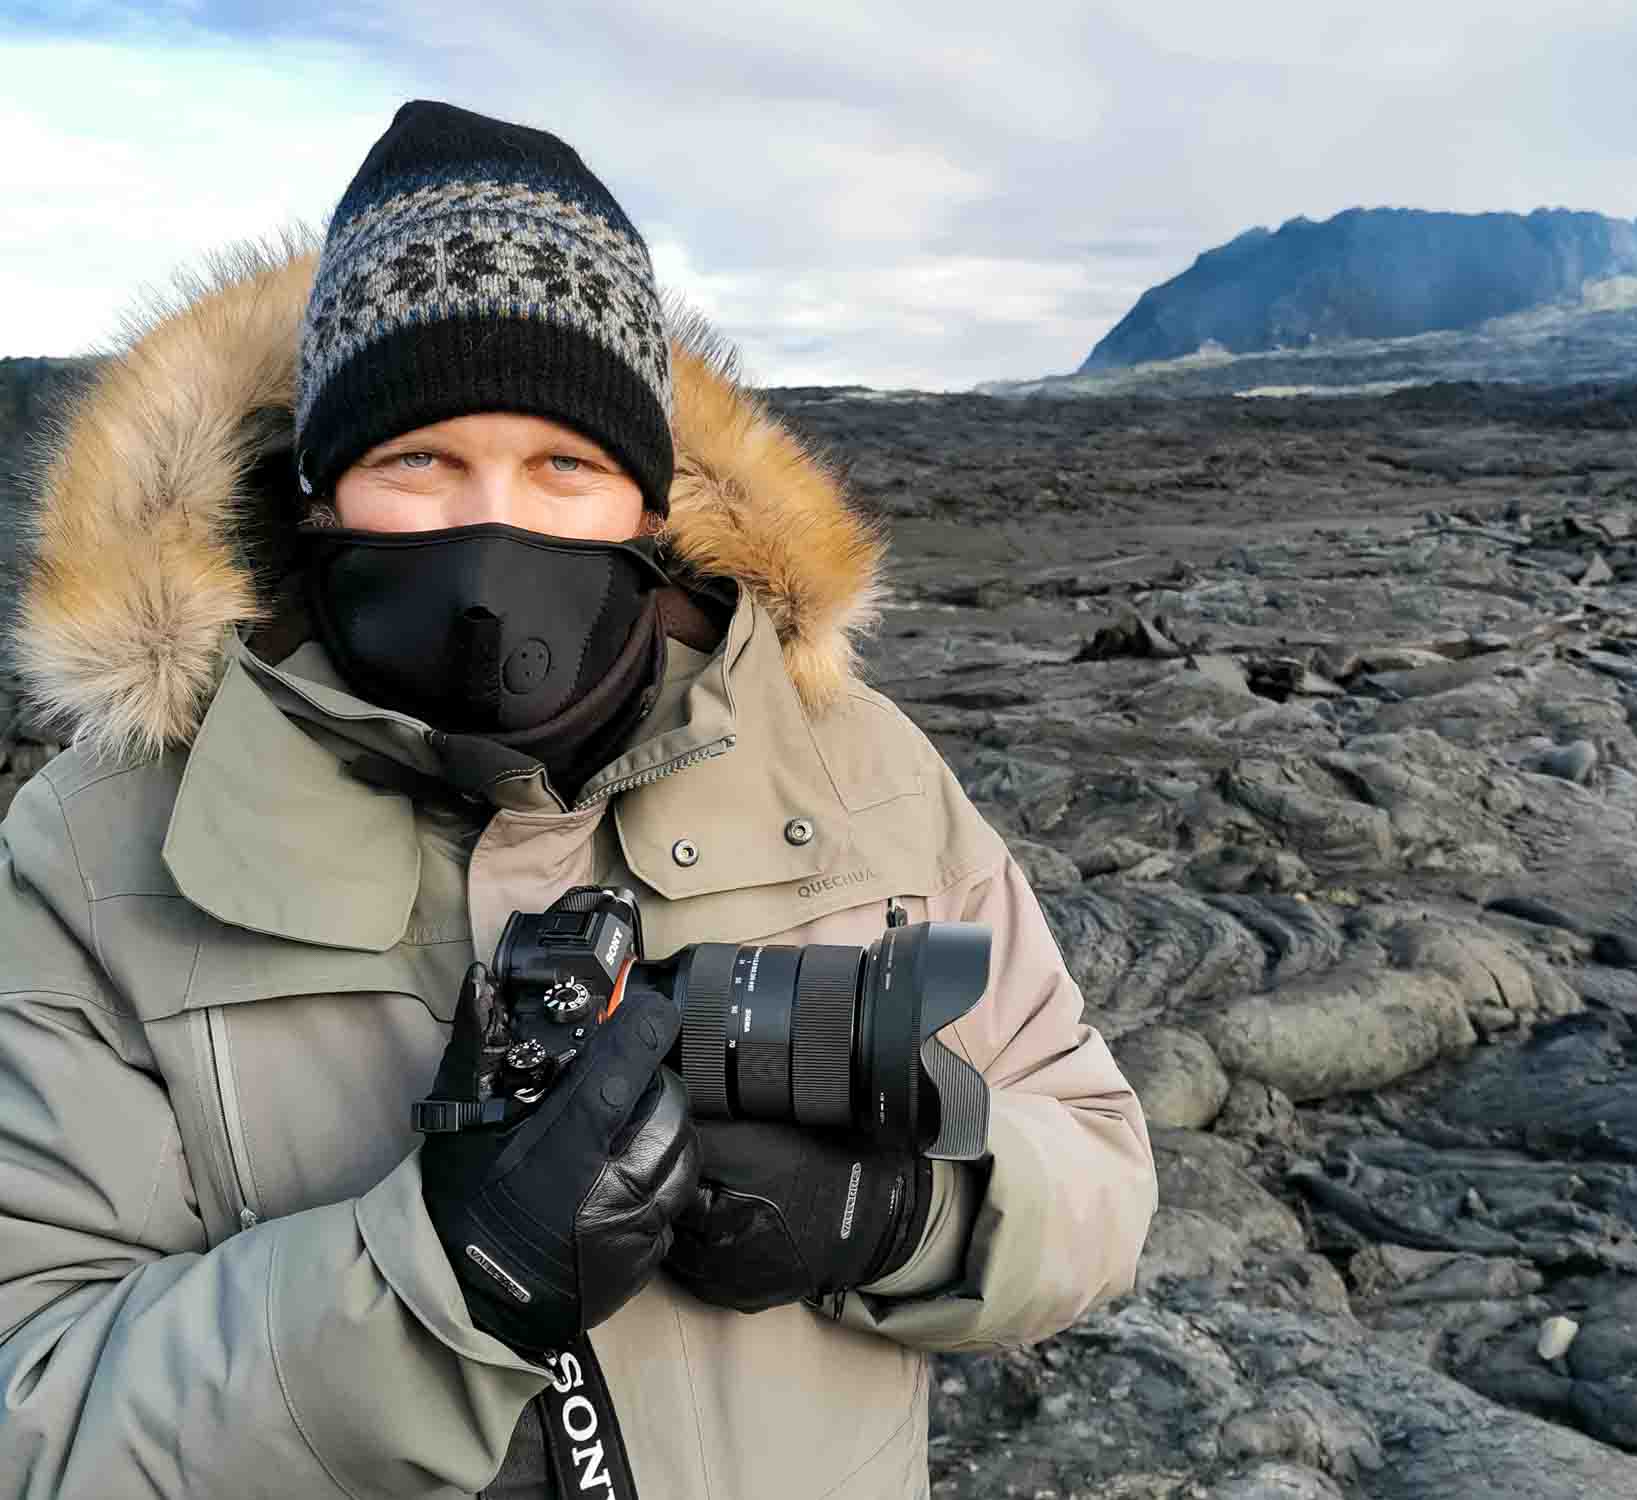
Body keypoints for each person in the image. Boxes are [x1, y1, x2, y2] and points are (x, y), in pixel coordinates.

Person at [0, 99, 1156, 1499]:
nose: (498, 525)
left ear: (649, 503)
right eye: (418, 460)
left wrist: (899, 1211)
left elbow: (1094, 1161)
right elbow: (34, 1404)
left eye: (566, 465)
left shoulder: (858, 772)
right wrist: (435, 1282)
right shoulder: (102, 847)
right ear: (320, 490)